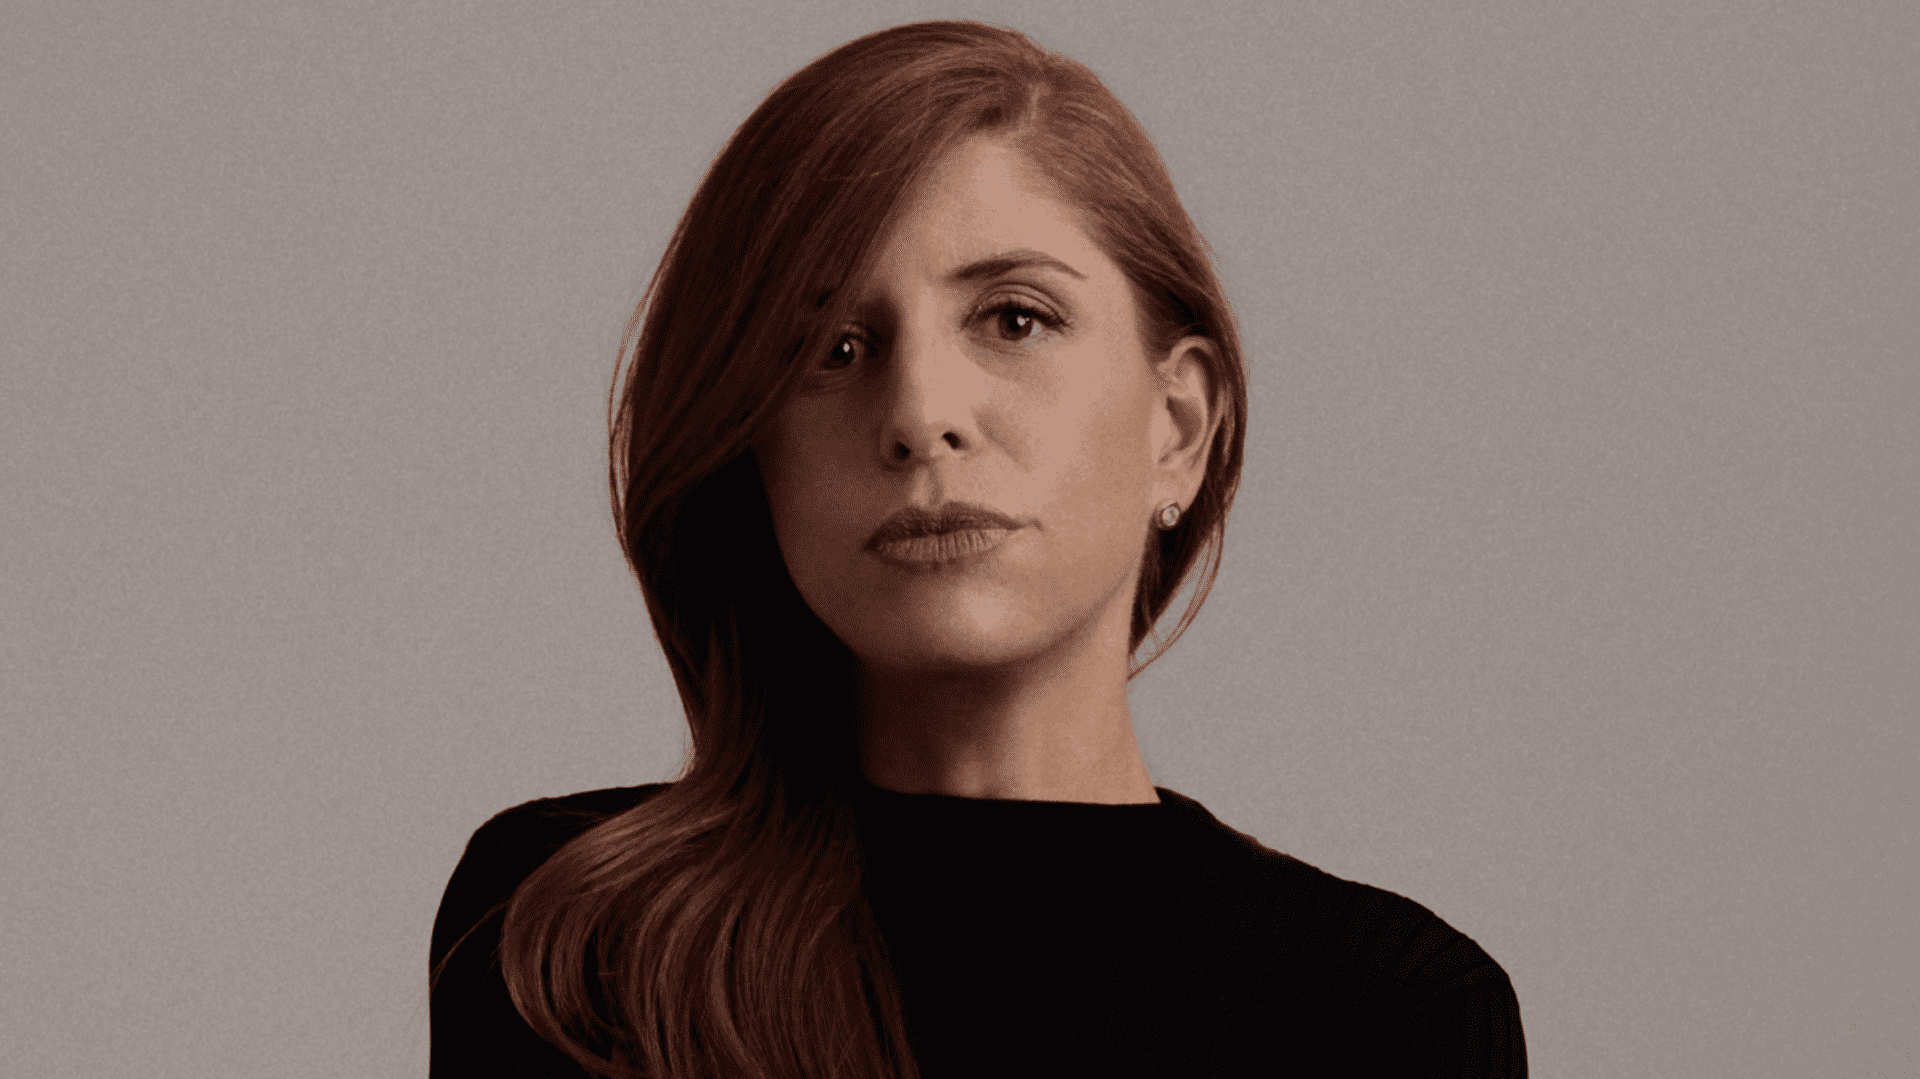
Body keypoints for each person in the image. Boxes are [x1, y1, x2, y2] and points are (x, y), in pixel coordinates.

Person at [429, 19, 1526, 1079]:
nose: (919, 414)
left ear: (1179, 427)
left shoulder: (1387, 1014)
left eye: (1014, 319)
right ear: (755, 459)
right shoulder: (571, 936)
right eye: (833, 347)